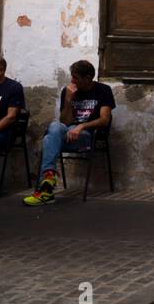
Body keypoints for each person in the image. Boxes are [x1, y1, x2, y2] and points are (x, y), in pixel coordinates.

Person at [23, 59, 114, 206]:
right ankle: (49, 178)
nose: (72, 80)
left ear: (88, 78)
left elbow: (104, 120)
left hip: (87, 137)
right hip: (67, 134)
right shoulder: (68, 91)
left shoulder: (103, 90)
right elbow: (65, 121)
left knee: (49, 139)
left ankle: (45, 190)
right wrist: (68, 100)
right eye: (72, 76)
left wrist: (82, 126)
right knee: (55, 128)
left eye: (76, 77)